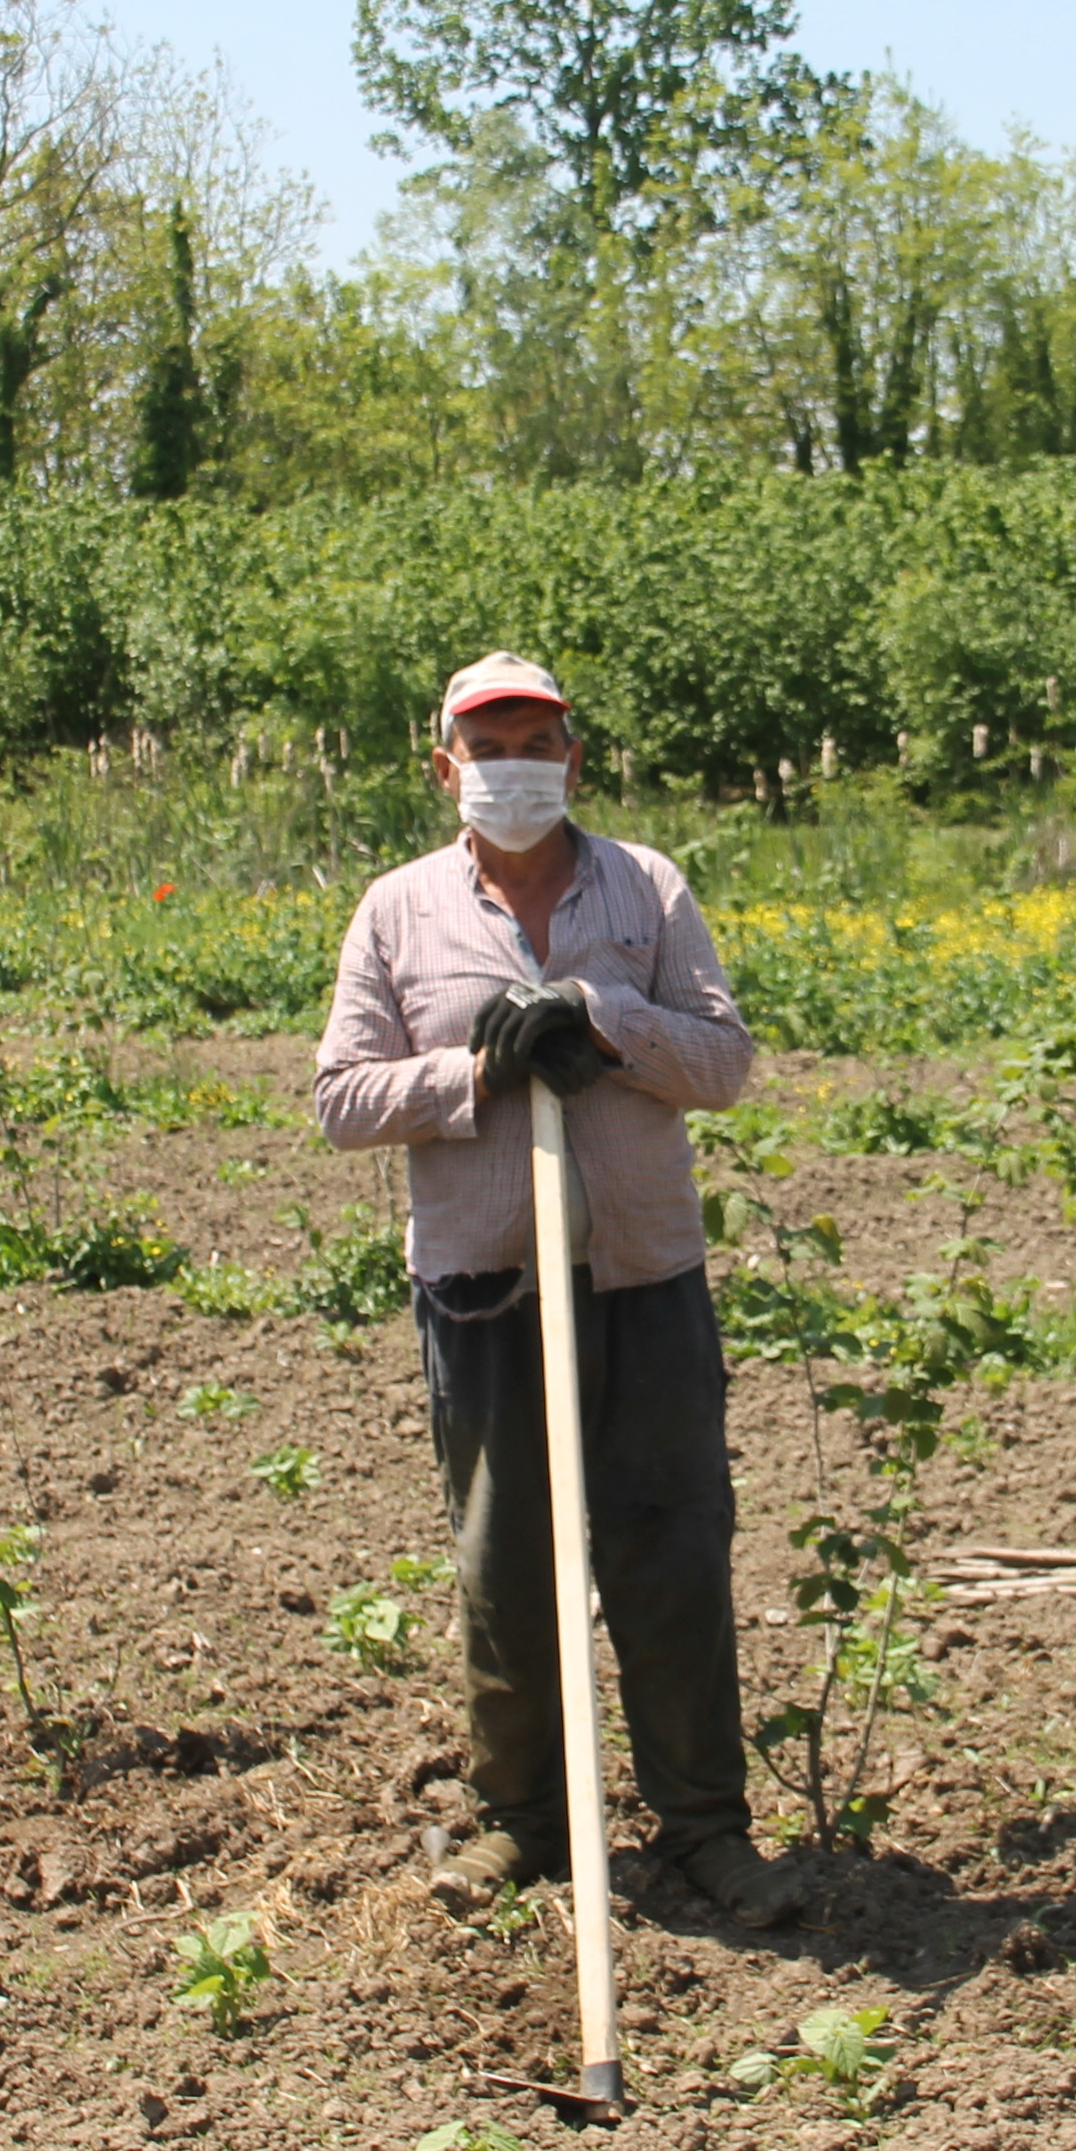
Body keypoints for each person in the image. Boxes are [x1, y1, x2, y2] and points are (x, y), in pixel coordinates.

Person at [312, 651, 799, 1929]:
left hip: (644, 1274)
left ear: (574, 757)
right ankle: (521, 1825)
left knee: (674, 1549)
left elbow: (727, 1060)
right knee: (507, 1563)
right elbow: (339, 1098)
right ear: (445, 768)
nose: (512, 766)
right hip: (486, 1286)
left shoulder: (646, 887)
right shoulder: (398, 911)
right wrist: (471, 1073)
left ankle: (704, 1827)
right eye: (487, 747)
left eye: (536, 742)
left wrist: (606, 1016)